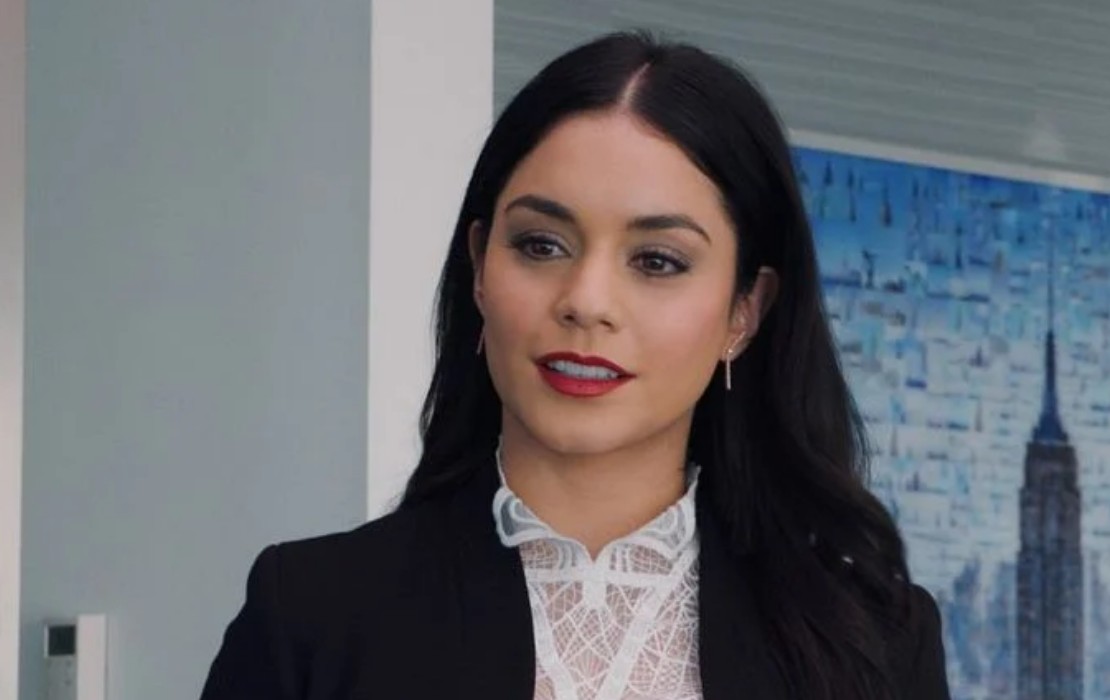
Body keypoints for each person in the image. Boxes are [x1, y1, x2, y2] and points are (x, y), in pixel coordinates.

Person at [200, 30, 950, 700]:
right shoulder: (312, 615)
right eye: (541, 245)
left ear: (744, 310)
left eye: (657, 260)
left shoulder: (874, 642)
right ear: (480, 267)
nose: (586, 301)